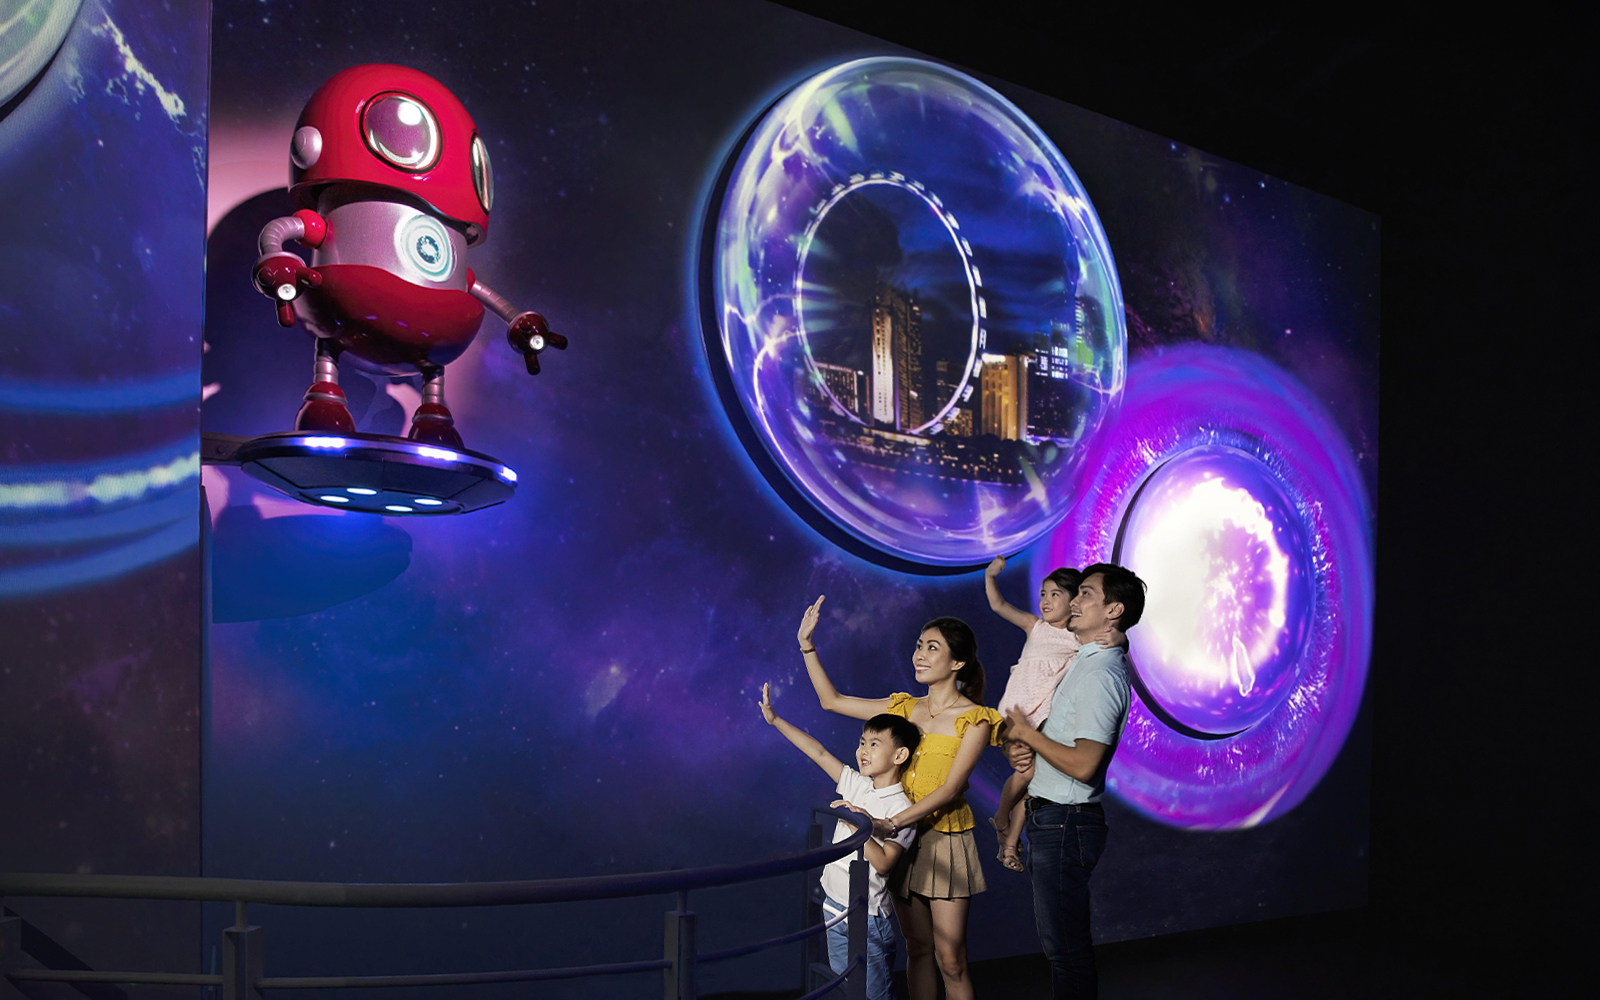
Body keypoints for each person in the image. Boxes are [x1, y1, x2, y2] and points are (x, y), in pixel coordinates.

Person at [796, 596, 1001, 1000]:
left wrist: (892, 823)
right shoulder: (903, 708)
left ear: (957, 662)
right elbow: (831, 701)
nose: (919, 655)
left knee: (951, 958)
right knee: (918, 949)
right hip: (898, 842)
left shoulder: (975, 719)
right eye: (918, 645)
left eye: (932, 647)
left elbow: (949, 789)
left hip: (940, 840)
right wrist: (807, 645)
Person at [1002, 563, 1145, 1000]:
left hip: (1066, 823)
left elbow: (1084, 764)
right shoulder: (1084, 661)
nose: (1074, 602)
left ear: (1113, 609)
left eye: (1085, 594)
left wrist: (1027, 735)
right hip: (1053, 821)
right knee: (1061, 949)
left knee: (1066, 952)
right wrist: (1022, 744)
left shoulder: (1101, 674)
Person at [758, 683, 919, 1000]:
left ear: (900, 754)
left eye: (874, 744)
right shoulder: (857, 785)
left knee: (874, 995)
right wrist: (775, 720)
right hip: (834, 907)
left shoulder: (902, 808)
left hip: (868, 915)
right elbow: (818, 752)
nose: (863, 751)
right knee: (848, 988)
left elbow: (885, 862)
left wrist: (857, 826)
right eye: (862, 742)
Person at [983, 557, 1123, 873]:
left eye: (1054, 594)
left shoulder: (1077, 637)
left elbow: (1111, 637)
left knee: (1036, 781)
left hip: (1042, 717)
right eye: (1043, 594)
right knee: (1026, 773)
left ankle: (1009, 846)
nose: (1045, 601)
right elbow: (997, 605)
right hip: (1015, 714)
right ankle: (1003, 817)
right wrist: (991, 575)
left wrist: (1117, 638)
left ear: (1073, 601)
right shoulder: (1035, 627)